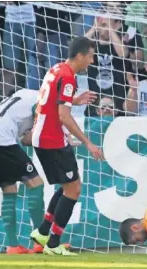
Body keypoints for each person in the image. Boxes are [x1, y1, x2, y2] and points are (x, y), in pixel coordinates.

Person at [30, 37, 104, 256]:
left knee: (68, 186)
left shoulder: (57, 68)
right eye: (90, 56)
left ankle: (44, 232)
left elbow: (51, 103)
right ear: (79, 56)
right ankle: (53, 244)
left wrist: (75, 100)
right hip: (50, 139)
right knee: (74, 189)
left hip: (45, 136)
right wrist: (87, 142)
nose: (91, 61)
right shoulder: (68, 77)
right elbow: (64, 115)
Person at [0, 89, 45, 254]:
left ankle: (13, 245)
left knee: (9, 189)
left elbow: (27, 140)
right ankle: (40, 241)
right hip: (1, 140)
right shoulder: (43, 99)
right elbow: (39, 120)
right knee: (36, 184)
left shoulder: (24, 93)